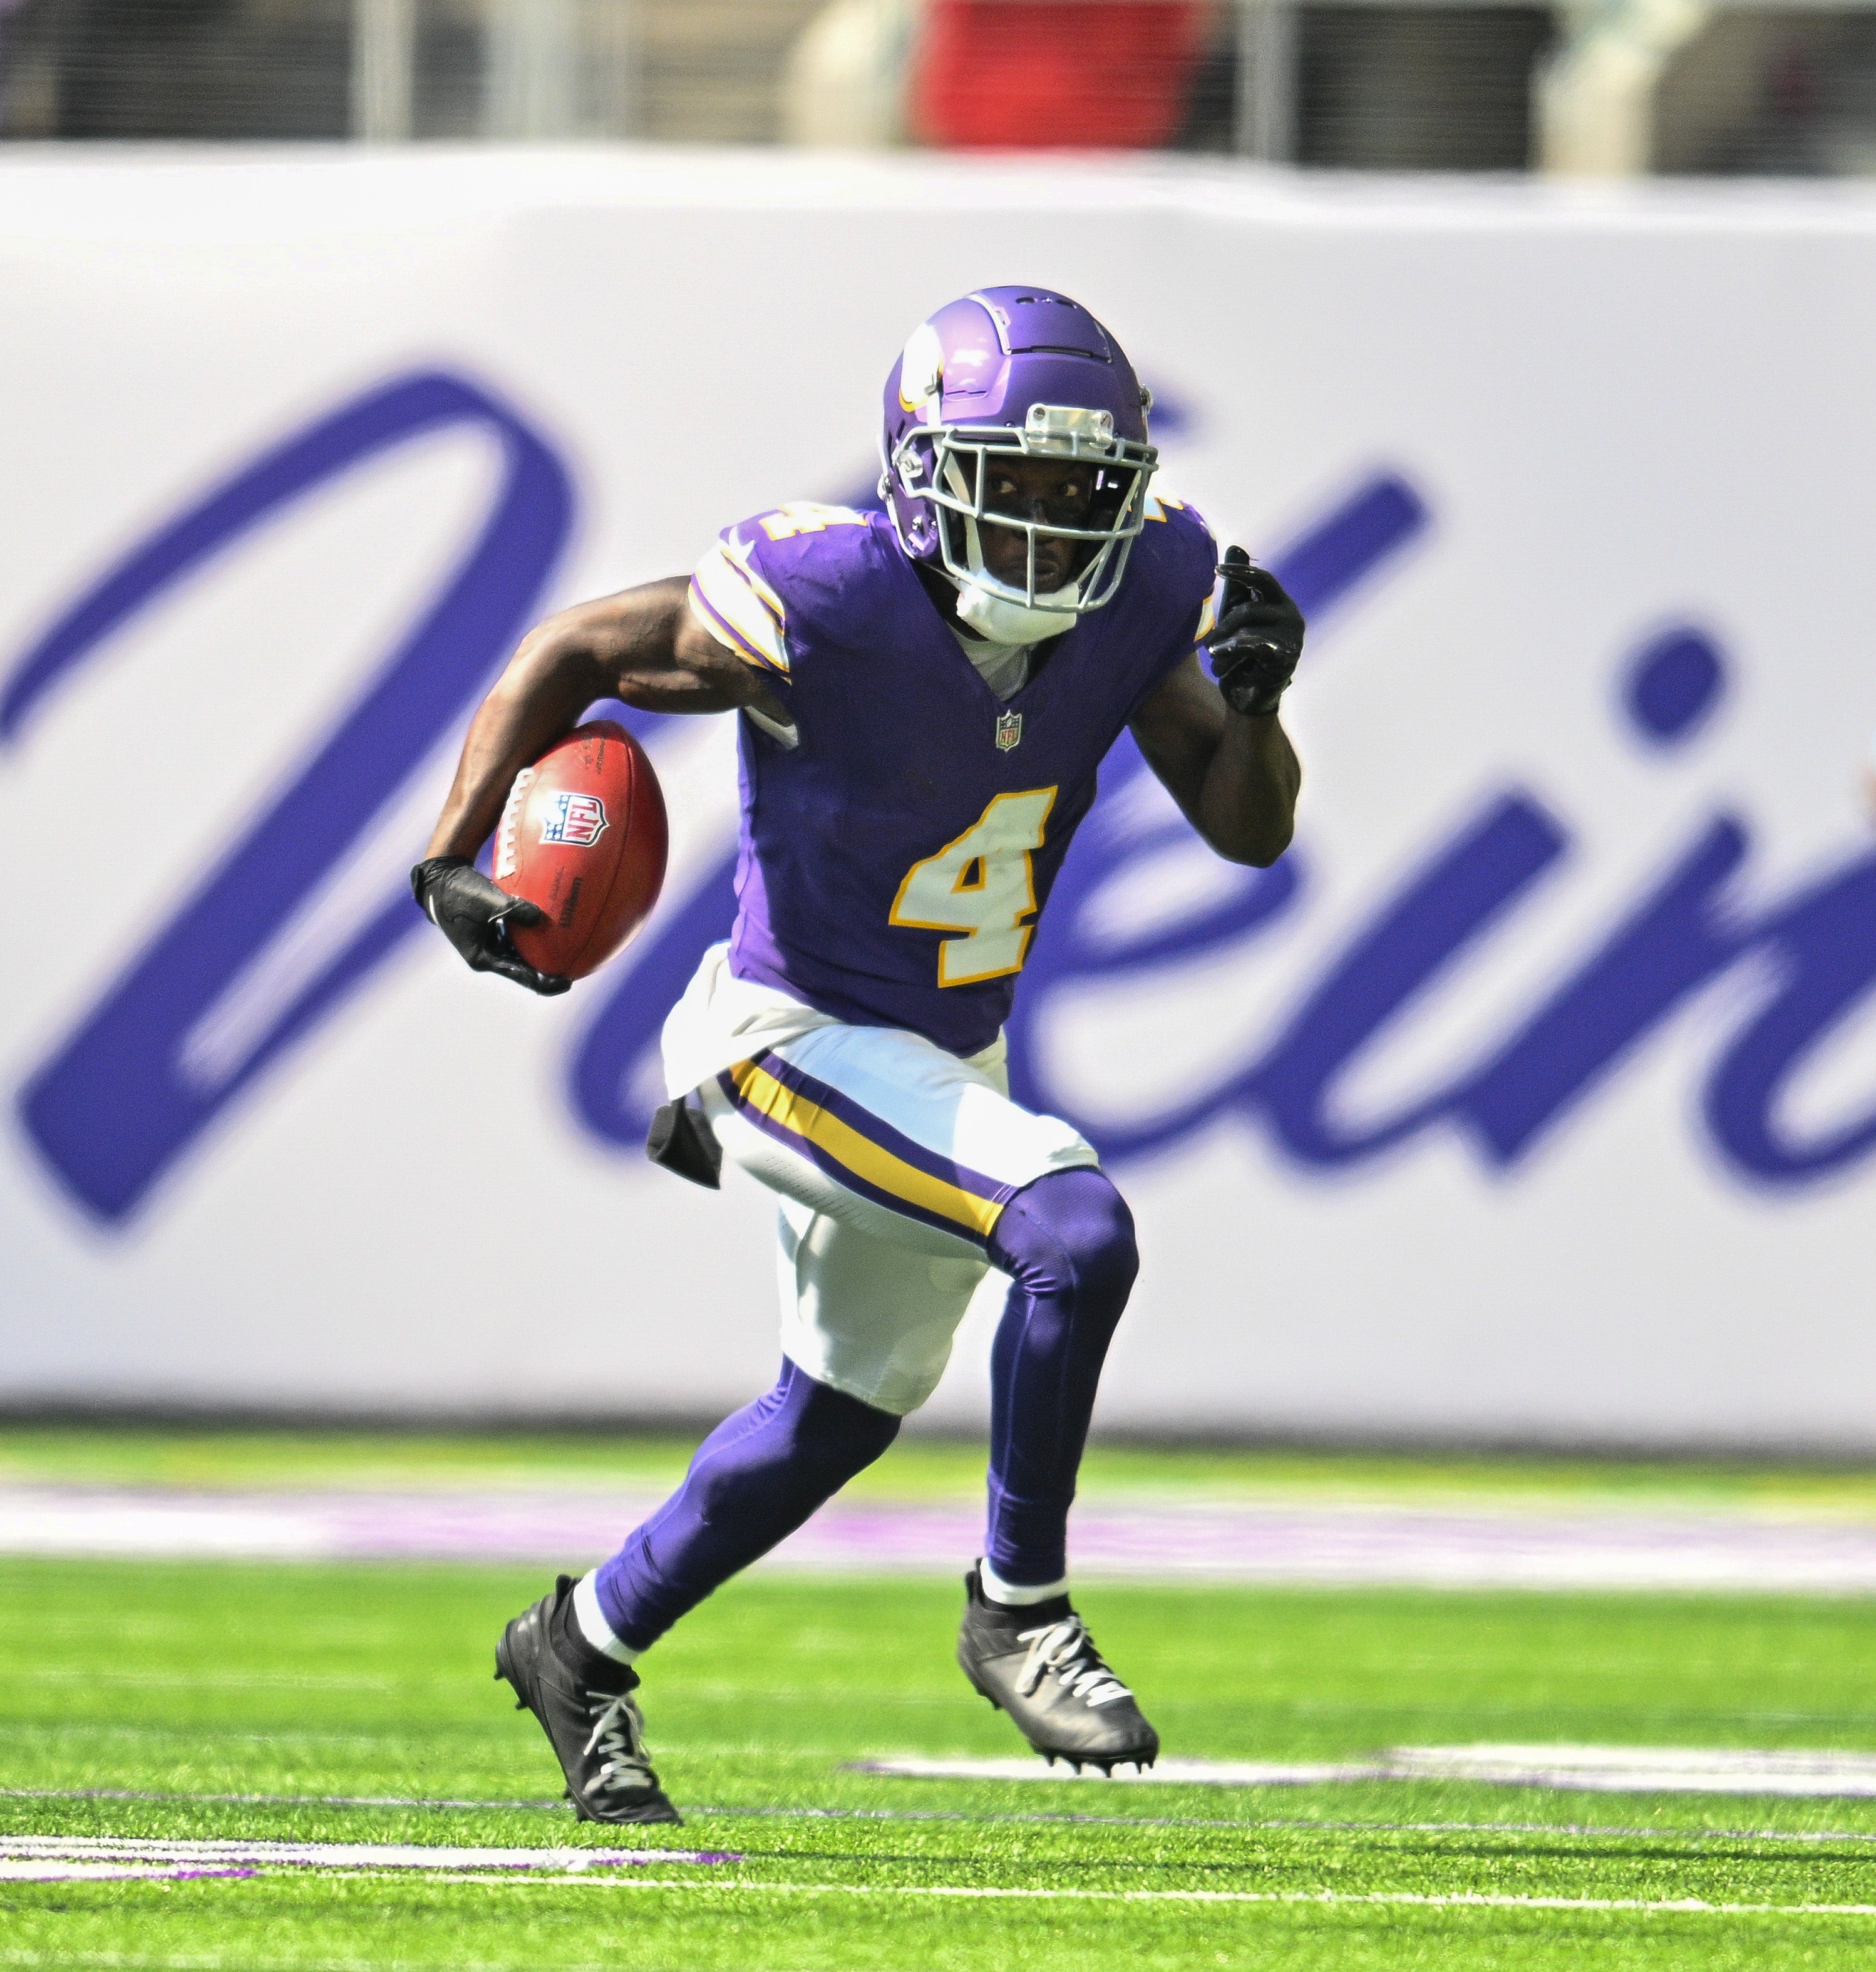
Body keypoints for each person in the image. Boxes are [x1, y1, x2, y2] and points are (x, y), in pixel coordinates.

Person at [412, 286, 1306, 1823]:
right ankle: (1017, 1610)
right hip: (790, 1033)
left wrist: (1257, 707)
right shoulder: (822, 599)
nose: (1040, 524)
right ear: (916, 470)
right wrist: (451, 855)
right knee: (1074, 1233)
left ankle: (580, 1646)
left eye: (1075, 491)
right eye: (1004, 481)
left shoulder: (1141, 589)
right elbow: (580, 646)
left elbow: (1246, 827)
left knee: (834, 1413)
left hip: (948, 1056)